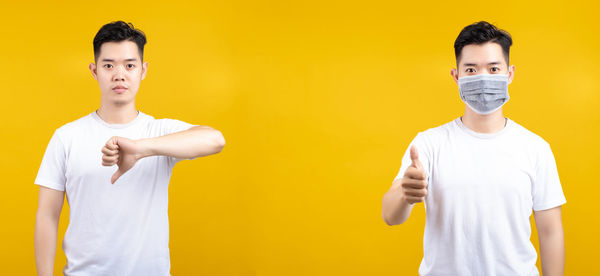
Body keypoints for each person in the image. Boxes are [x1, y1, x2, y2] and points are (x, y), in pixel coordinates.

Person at [34, 21, 225, 275]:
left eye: (129, 65)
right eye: (109, 65)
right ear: (94, 71)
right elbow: (47, 217)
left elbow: (215, 140)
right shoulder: (66, 137)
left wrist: (140, 148)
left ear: (143, 70)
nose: (119, 74)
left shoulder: (159, 132)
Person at [381, 21, 566, 276]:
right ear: (456, 77)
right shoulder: (428, 144)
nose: (482, 77)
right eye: (471, 69)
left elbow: (550, 231)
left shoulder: (535, 148)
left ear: (509, 74)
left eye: (493, 68)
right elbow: (391, 216)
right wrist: (405, 192)